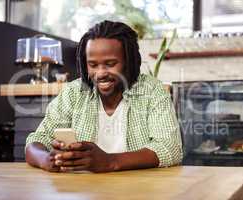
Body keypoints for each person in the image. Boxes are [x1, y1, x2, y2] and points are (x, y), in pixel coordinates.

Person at [25, 20, 183, 173]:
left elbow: (169, 147)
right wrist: (45, 160)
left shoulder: (152, 91)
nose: (100, 73)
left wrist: (110, 162)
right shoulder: (73, 93)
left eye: (110, 64)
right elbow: (37, 140)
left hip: (138, 190)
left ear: (129, 61)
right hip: (82, 190)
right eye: (93, 65)